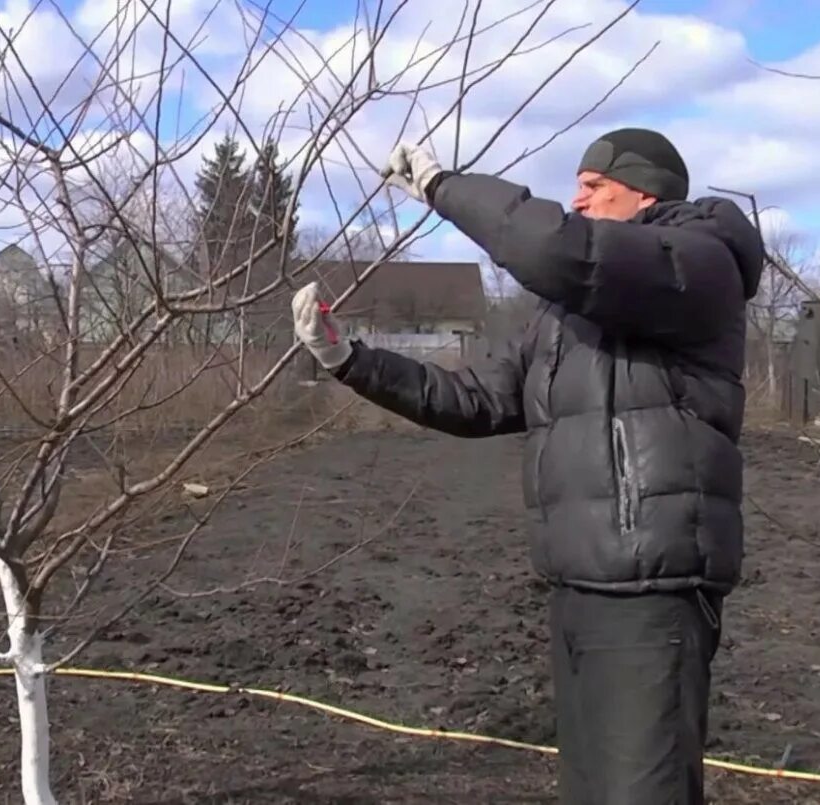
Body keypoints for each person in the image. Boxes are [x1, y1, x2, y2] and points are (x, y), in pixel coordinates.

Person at [290, 128, 764, 805]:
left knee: (642, 791)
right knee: (591, 789)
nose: (578, 197)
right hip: (578, 581)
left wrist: (441, 187)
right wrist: (349, 359)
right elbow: (474, 398)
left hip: (652, 587)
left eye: (594, 186)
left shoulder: (696, 261)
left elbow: (556, 250)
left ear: (646, 190)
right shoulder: (563, 317)